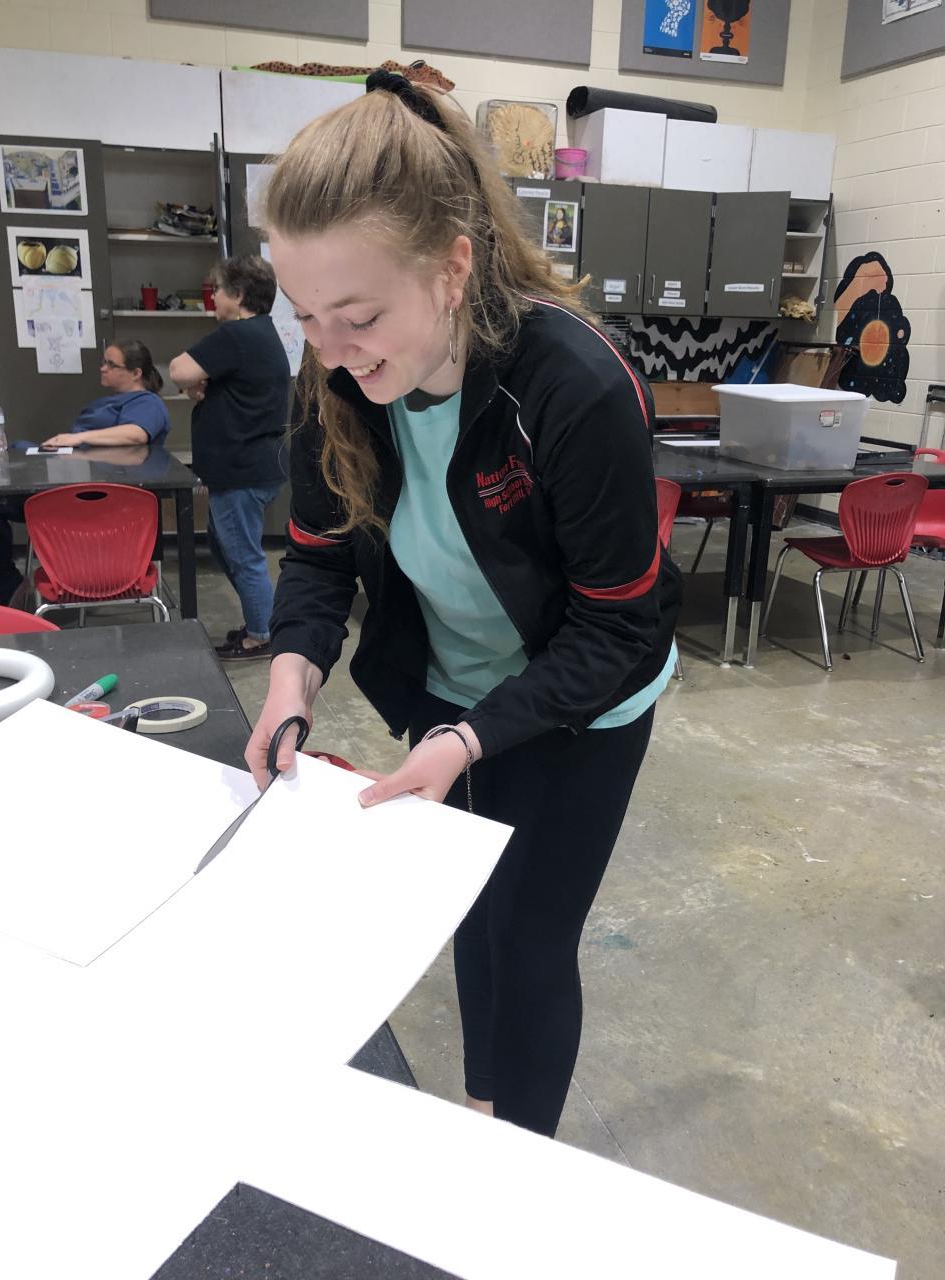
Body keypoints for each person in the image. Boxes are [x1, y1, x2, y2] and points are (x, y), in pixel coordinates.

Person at [247, 70, 682, 1139]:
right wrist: (292, 677)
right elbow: (319, 558)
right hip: (448, 684)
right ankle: (488, 1113)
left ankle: (510, 1168)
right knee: (471, 910)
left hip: (584, 699)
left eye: (359, 317)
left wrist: (471, 738)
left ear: (452, 268)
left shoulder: (574, 387)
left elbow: (616, 626)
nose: (332, 349)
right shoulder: (334, 375)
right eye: (306, 318)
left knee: (529, 938)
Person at [0, 339, 169, 607]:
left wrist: (76, 438)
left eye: (111, 364)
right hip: (75, 484)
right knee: (2, 479)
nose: (102, 368)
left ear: (136, 373)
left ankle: (6, 585)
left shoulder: (147, 403)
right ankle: (6, 583)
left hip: (99, 500)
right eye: (104, 362)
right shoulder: (114, 401)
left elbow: (136, 434)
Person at [169, 255, 289, 661]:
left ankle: (262, 634)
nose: (213, 297)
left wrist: (194, 380)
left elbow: (179, 370)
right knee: (227, 548)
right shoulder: (260, 334)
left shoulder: (236, 334)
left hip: (241, 471)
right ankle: (261, 620)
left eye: (218, 290)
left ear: (238, 295)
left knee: (243, 556)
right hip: (250, 466)